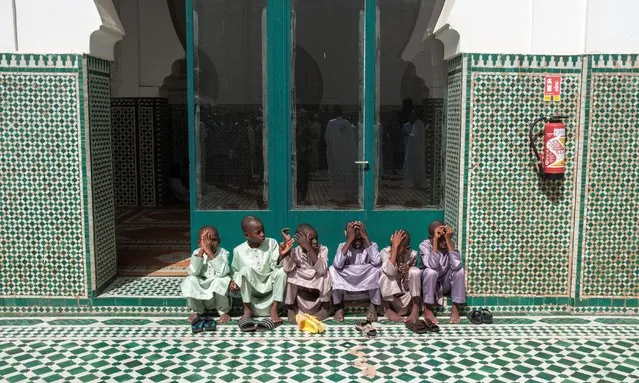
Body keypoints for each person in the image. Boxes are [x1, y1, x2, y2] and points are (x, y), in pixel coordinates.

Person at [230, 216, 294, 324]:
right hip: (252, 290)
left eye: (263, 230)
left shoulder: (271, 243)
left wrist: (281, 256)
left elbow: (275, 266)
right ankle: (247, 309)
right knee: (244, 270)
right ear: (247, 235)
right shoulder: (238, 250)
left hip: (269, 284)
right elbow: (236, 271)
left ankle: (274, 309)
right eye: (258, 232)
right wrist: (234, 282)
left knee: (281, 272)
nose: (262, 234)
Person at [181, 226, 232, 329]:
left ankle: (223, 312)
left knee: (222, 280)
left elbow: (222, 272)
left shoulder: (223, 252)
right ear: (199, 243)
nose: (210, 243)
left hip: (216, 291)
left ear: (219, 240)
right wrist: (201, 252)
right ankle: (197, 311)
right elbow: (193, 272)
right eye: (205, 240)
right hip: (201, 289)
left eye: (213, 240)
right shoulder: (196, 253)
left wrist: (209, 252)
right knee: (190, 280)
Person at [329, 221, 381, 322]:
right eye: (354, 239)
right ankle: (339, 306)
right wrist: (349, 240)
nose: (357, 242)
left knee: (377, 268)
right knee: (333, 269)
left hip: (365, 276)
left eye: (360, 238)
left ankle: (373, 306)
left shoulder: (371, 244)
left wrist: (365, 238)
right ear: (347, 236)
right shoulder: (342, 246)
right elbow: (338, 264)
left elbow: (377, 261)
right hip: (348, 277)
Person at [282, 224, 331, 322]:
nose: (315, 241)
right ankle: (290, 307)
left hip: (316, 277)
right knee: (291, 275)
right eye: (311, 239)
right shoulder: (295, 251)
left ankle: (325, 308)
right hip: (302, 278)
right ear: (300, 241)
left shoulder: (323, 249)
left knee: (326, 275)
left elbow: (321, 269)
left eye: (316, 238)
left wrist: (309, 248)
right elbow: (287, 268)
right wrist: (287, 253)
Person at [420, 221, 466, 324]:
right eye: (441, 238)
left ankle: (456, 307)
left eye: (445, 237)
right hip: (432, 285)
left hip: (445, 284)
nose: (444, 242)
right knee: (430, 271)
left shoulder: (449, 244)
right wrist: (435, 240)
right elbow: (432, 265)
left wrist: (448, 240)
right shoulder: (425, 245)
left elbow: (457, 265)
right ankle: (428, 309)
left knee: (460, 270)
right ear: (430, 237)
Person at [379, 230, 421, 323]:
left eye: (399, 247)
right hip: (391, 299)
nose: (395, 249)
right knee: (383, 272)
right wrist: (394, 247)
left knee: (415, 271)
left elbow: (411, 279)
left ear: (407, 248)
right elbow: (390, 271)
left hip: (407, 297)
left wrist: (409, 268)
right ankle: (387, 309)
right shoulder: (385, 252)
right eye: (393, 245)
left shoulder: (413, 254)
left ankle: (415, 308)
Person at [324, 105, 358, 204]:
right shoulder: (347, 123)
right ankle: (348, 195)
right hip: (346, 154)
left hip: (334, 153)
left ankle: (337, 196)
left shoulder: (331, 123)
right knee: (346, 175)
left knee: (336, 175)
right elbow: (351, 140)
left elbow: (327, 138)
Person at [402, 109, 426, 189]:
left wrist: (408, 134)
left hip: (417, 149)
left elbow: (416, 137)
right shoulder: (416, 124)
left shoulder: (419, 124)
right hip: (415, 149)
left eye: (413, 115)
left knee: (417, 166)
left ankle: (418, 183)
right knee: (414, 166)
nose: (411, 117)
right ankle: (415, 182)